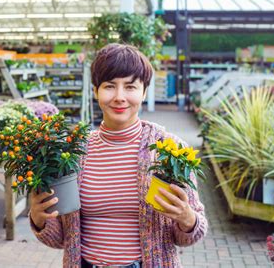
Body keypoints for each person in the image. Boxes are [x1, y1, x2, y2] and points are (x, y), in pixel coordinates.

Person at [30, 43, 207, 268]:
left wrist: (187, 218)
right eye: (110, 86)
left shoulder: (170, 150)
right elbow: (61, 240)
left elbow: (189, 236)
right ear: (95, 91)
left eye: (130, 87)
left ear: (144, 91)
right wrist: (39, 218)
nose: (119, 97)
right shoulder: (71, 153)